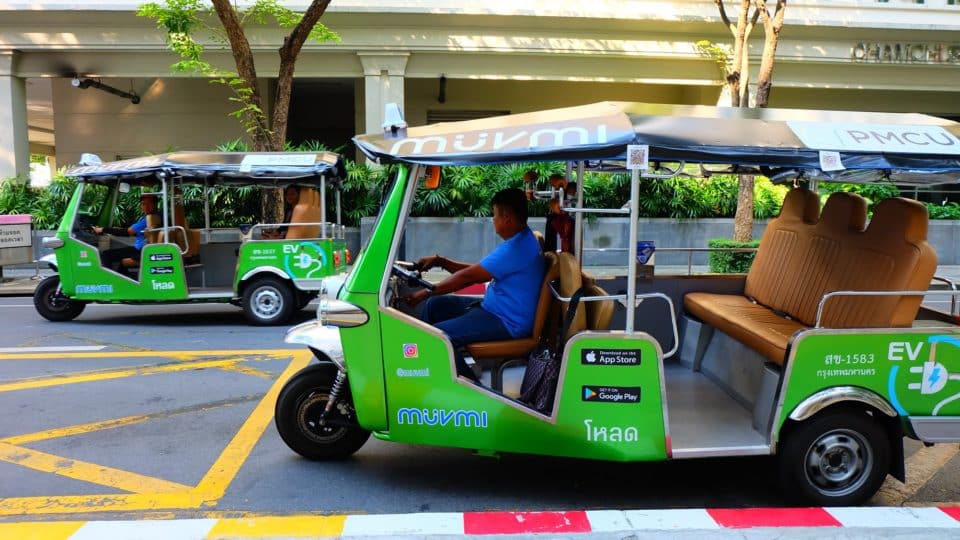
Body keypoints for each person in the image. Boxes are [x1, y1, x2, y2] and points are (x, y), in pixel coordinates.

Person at [406, 188, 545, 381]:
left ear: (506, 218)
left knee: (437, 337)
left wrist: (425, 292)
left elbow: (470, 277)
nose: (492, 220)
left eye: (494, 215)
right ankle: (430, 374)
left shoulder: (517, 248)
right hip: (494, 309)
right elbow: (479, 270)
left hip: (506, 321)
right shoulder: (523, 239)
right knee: (435, 306)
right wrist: (441, 261)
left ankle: (471, 391)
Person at [94, 193, 159, 276]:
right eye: (143, 204)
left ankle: (108, 280)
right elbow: (134, 231)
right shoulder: (157, 215)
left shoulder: (149, 218)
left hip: (140, 250)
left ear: (155, 204)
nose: (146, 206)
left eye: (149, 203)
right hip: (144, 248)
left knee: (107, 254)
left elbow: (127, 232)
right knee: (121, 258)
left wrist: (103, 230)